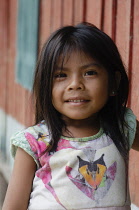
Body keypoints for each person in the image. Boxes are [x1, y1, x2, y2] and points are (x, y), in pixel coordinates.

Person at [2, 22, 139, 210]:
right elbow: (13, 207)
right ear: (45, 85)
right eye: (60, 75)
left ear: (114, 83)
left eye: (90, 73)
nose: (75, 84)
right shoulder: (34, 142)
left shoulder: (121, 126)